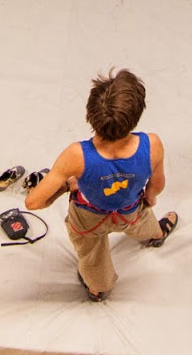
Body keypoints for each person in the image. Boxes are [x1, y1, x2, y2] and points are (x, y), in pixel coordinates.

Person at [24, 69, 179, 302]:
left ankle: (98, 288)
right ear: (136, 116)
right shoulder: (152, 145)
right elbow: (157, 185)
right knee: (144, 222)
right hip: (130, 210)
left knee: (92, 256)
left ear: (91, 113)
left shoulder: (76, 155)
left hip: (88, 218)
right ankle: (155, 236)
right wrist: (151, 196)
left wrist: (68, 186)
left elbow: (34, 202)